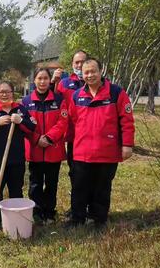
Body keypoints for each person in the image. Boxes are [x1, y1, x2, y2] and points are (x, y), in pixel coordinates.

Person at [67, 58, 135, 228]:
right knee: (79, 187)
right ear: (82, 75)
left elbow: (127, 121)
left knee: (102, 188)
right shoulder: (77, 96)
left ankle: (99, 219)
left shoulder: (116, 93)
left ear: (101, 71)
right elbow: (73, 121)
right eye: (86, 72)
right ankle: (77, 219)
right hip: (82, 152)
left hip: (107, 151)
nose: (90, 75)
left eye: (93, 71)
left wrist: (127, 145)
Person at [0, 81, 35, 229]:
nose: (4, 94)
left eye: (8, 91)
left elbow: (32, 128)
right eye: (1, 92)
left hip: (16, 159)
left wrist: (21, 121)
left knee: (16, 190)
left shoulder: (20, 110)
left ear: (12, 93)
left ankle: (16, 221)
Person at [22, 68, 68, 223]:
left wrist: (48, 138)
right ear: (34, 80)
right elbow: (24, 125)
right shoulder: (26, 101)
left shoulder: (59, 99)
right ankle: (36, 212)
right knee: (35, 183)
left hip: (53, 149)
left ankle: (49, 212)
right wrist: (36, 139)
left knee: (51, 183)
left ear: (50, 81)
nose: (42, 82)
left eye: (45, 78)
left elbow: (63, 122)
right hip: (34, 149)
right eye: (39, 78)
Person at [51, 50, 87, 174]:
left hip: (92, 135)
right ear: (72, 64)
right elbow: (53, 102)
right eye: (77, 62)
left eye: (83, 62)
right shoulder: (64, 83)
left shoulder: (96, 82)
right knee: (75, 169)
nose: (80, 65)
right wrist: (53, 82)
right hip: (73, 135)